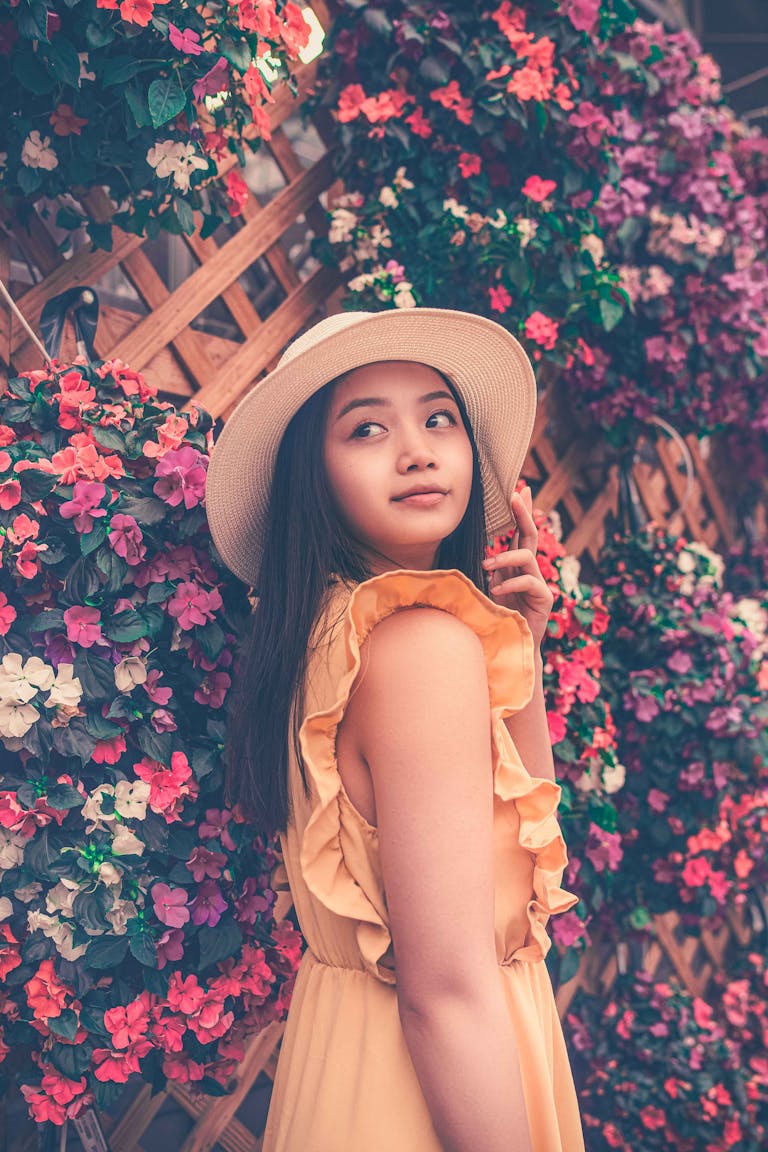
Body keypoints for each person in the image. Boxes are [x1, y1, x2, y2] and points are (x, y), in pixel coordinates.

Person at [205, 308, 585, 1152]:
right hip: (433, 1093)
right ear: (314, 475)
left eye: (438, 418)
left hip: (351, 1056)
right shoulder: (418, 646)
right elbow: (447, 988)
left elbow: (512, 874)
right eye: (367, 427)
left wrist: (520, 658)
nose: (417, 449)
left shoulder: (338, 633)